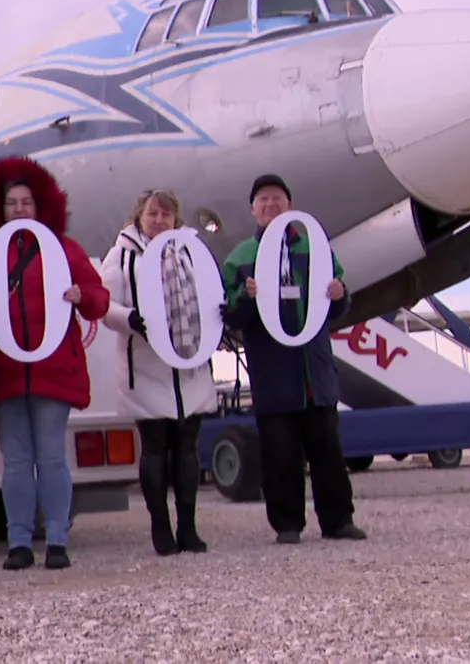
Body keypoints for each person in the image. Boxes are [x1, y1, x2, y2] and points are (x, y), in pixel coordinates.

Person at [0, 155, 110, 571]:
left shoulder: (64, 250)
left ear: (41, 205)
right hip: (6, 373)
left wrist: (83, 294)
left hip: (52, 371)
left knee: (52, 458)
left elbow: (99, 299)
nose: (20, 209)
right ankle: (20, 542)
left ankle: (56, 540)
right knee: (19, 462)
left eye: (27, 202)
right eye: (13, 203)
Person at [220, 173, 367, 545]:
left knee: (328, 451)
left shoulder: (316, 248)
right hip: (273, 375)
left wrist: (340, 294)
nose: (271, 205)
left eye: (278, 199)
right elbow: (230, 316)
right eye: (263, 200)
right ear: (253, 210)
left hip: (314, 371)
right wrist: (246, 298)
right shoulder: (241, 258)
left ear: (290, 205)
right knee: (279, 453)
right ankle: (287, 524)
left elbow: (338, 306)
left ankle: (338, 520)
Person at [99, 189, 214, 556]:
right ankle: (160, 528)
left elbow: (211, 294)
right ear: (139, 217)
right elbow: (105, 306)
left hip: (189, 369)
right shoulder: (121, 256)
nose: (159, 220)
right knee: (154, 450)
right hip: (145, 370)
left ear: (176, 219)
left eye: (166, 214)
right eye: (153, 214)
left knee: (187, 449)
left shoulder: (192, 252)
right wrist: (129, 319)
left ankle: (189, 528)